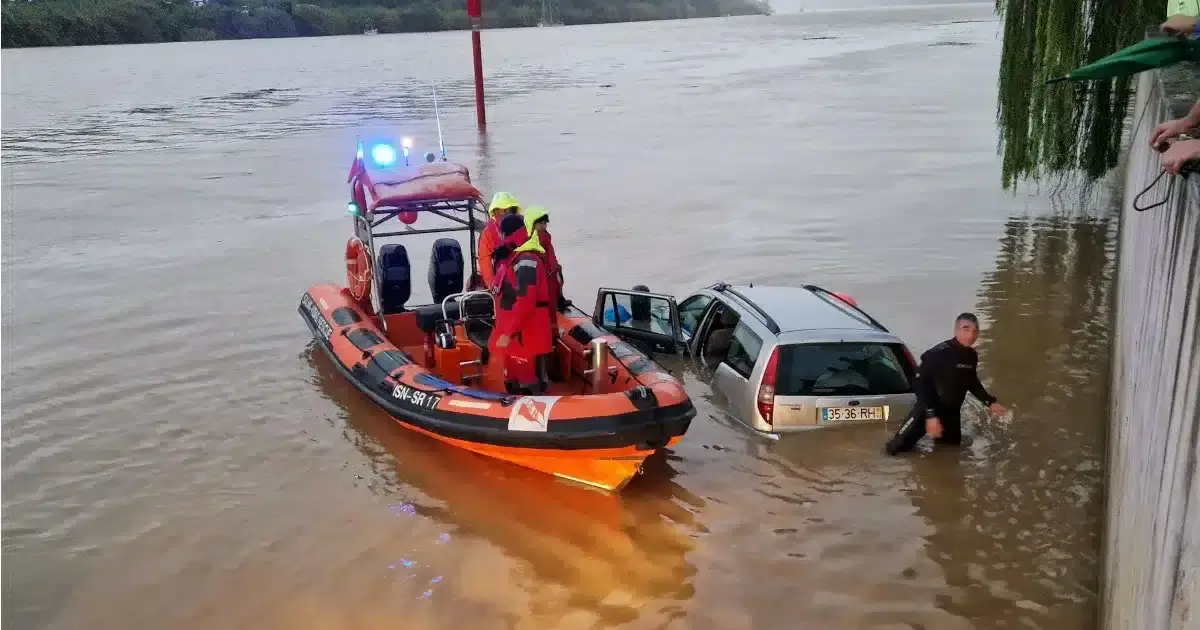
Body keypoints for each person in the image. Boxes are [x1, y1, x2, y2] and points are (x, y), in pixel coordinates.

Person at [885, 313, 1009, 456]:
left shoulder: (971, 356)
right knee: (894, 450)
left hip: (952, 415)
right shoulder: (938, 353)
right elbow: (919, 383)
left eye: (975, 331)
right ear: (956, 330)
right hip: (926, 410)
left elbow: (971, 381)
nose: (971, 335)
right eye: (966, 329)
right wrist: (931, 416)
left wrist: (989, 402)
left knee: (949, 454)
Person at [490, 221, 553, 394]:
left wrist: (508, 333)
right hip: (515, 338)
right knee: (514, 384)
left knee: (529, 386)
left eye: (501, 234)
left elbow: (526, 302)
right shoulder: (511, 261)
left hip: (527, 336)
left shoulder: (526, 262)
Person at [522, 207, 568, 311]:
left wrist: (559, 295)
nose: (544, 226)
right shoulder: (528, 248)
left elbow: (554, 269)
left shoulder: (547, 241)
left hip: (551, 298)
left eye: (545, 223)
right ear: (531, 225)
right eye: (540, 223)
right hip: (539, 305)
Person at [476, 192, 522, 290]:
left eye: (512, 209)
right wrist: (492, 285)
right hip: (503, 279)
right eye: (497, 210)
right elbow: (485, 260)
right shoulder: (489, 232)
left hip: (521, 274)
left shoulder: (524, 224)